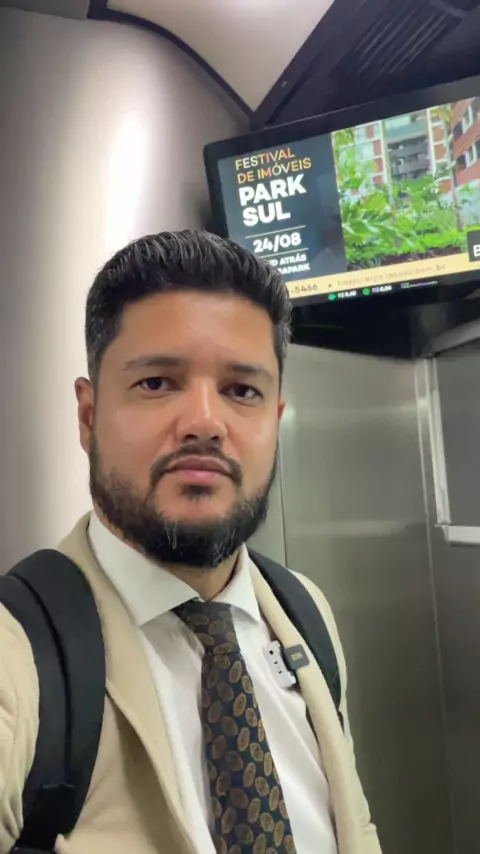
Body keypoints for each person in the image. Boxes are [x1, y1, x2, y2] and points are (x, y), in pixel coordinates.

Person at [0, 231, 381, 854]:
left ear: (274, 421)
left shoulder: (306, 614)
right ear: (88, 417)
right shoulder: (16, 657)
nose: (205, 422)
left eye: (241, 391)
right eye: (157, 382)